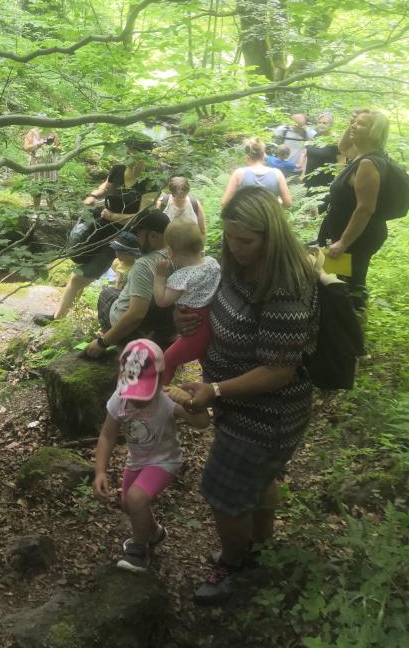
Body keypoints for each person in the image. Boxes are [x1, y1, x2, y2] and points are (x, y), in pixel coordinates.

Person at [180, 186, 317, 604]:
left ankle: (234, 565)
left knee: (223, 491)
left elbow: (278, 370)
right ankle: (259, 550)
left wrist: (215, 390)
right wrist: (188, 320)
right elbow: (217, 305)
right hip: (235, 404)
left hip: (268, 415)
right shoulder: (239, 266)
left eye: (246, 240)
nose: (236, 247)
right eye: (230, 237)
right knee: (257, 481)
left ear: (270, 236)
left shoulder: (285, 286)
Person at [92, 339, 210, 573]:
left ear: (160, 380)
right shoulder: (120, 399)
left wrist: (189, 402)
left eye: (142, 392)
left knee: (136, 498)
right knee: (129, 504)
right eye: (133, 391)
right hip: (136, 460)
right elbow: (107, 435)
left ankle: (139, 550)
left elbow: (202, 422)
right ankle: (154, 533)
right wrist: (100, 471)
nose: (136, 399)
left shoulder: (166, 399)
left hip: (164, 460)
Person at [37, 137, 159, 325]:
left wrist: (114, 216)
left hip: (123, 240)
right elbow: (105, 187)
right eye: (127, 150)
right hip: (99, 229)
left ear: (145, 156)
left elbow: (142, 217)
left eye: (133, 152)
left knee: (78, 278)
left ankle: (58, 319)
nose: (128, 155)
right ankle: (66, 316)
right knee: (81, 272)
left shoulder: (151, 182)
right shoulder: (118, 170)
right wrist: (93, 195)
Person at [318, 109, 390, 307]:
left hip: (355, 237)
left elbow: (365, 208)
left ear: (374, 132)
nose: (354, 126)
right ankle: (340, 316)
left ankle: (350, 319)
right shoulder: (360, 156)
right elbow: (342, 147)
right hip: (344, 231)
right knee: (336, 281)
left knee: (348, 287)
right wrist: (352, 123)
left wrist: (343, 243)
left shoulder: (368, 163)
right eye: (354, 123)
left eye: (361, 124)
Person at [83, 210, 173, 357]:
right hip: (161, 326)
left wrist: (102, 342)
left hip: (136, 330)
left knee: (106, 293)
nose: (137, 240)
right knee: (115, 292)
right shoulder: (178, 255)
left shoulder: (144, 265)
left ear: (153, 236)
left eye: (139, 235)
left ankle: (116, 341)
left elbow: (136, 315)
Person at [152, 220, 221, 384]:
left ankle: (157, 393)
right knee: (206, 363)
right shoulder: (212, 263)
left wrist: (160, 276)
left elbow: (161, 300)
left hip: (195, 331)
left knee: (168, 360)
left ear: (170, 251)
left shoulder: (182, 277)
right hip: (211, 326)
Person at [221, 139, 292, 209]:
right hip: (269, 216)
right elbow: (288, 203)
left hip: (244, 216)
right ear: (263, 156)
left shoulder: (239, 173)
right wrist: (276, 204)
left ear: (247, 156)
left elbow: (224, 202)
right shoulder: (277, 173)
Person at [23, 128, 61, 211]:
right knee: (36, 187)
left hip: (50, 164)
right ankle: (36, 210)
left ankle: (50, 210)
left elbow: (59, 147)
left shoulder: (52, 131)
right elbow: (26, 147)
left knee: (51, 187)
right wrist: (38, 144)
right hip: (36, 163)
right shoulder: (32, 132)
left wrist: (54, 147)